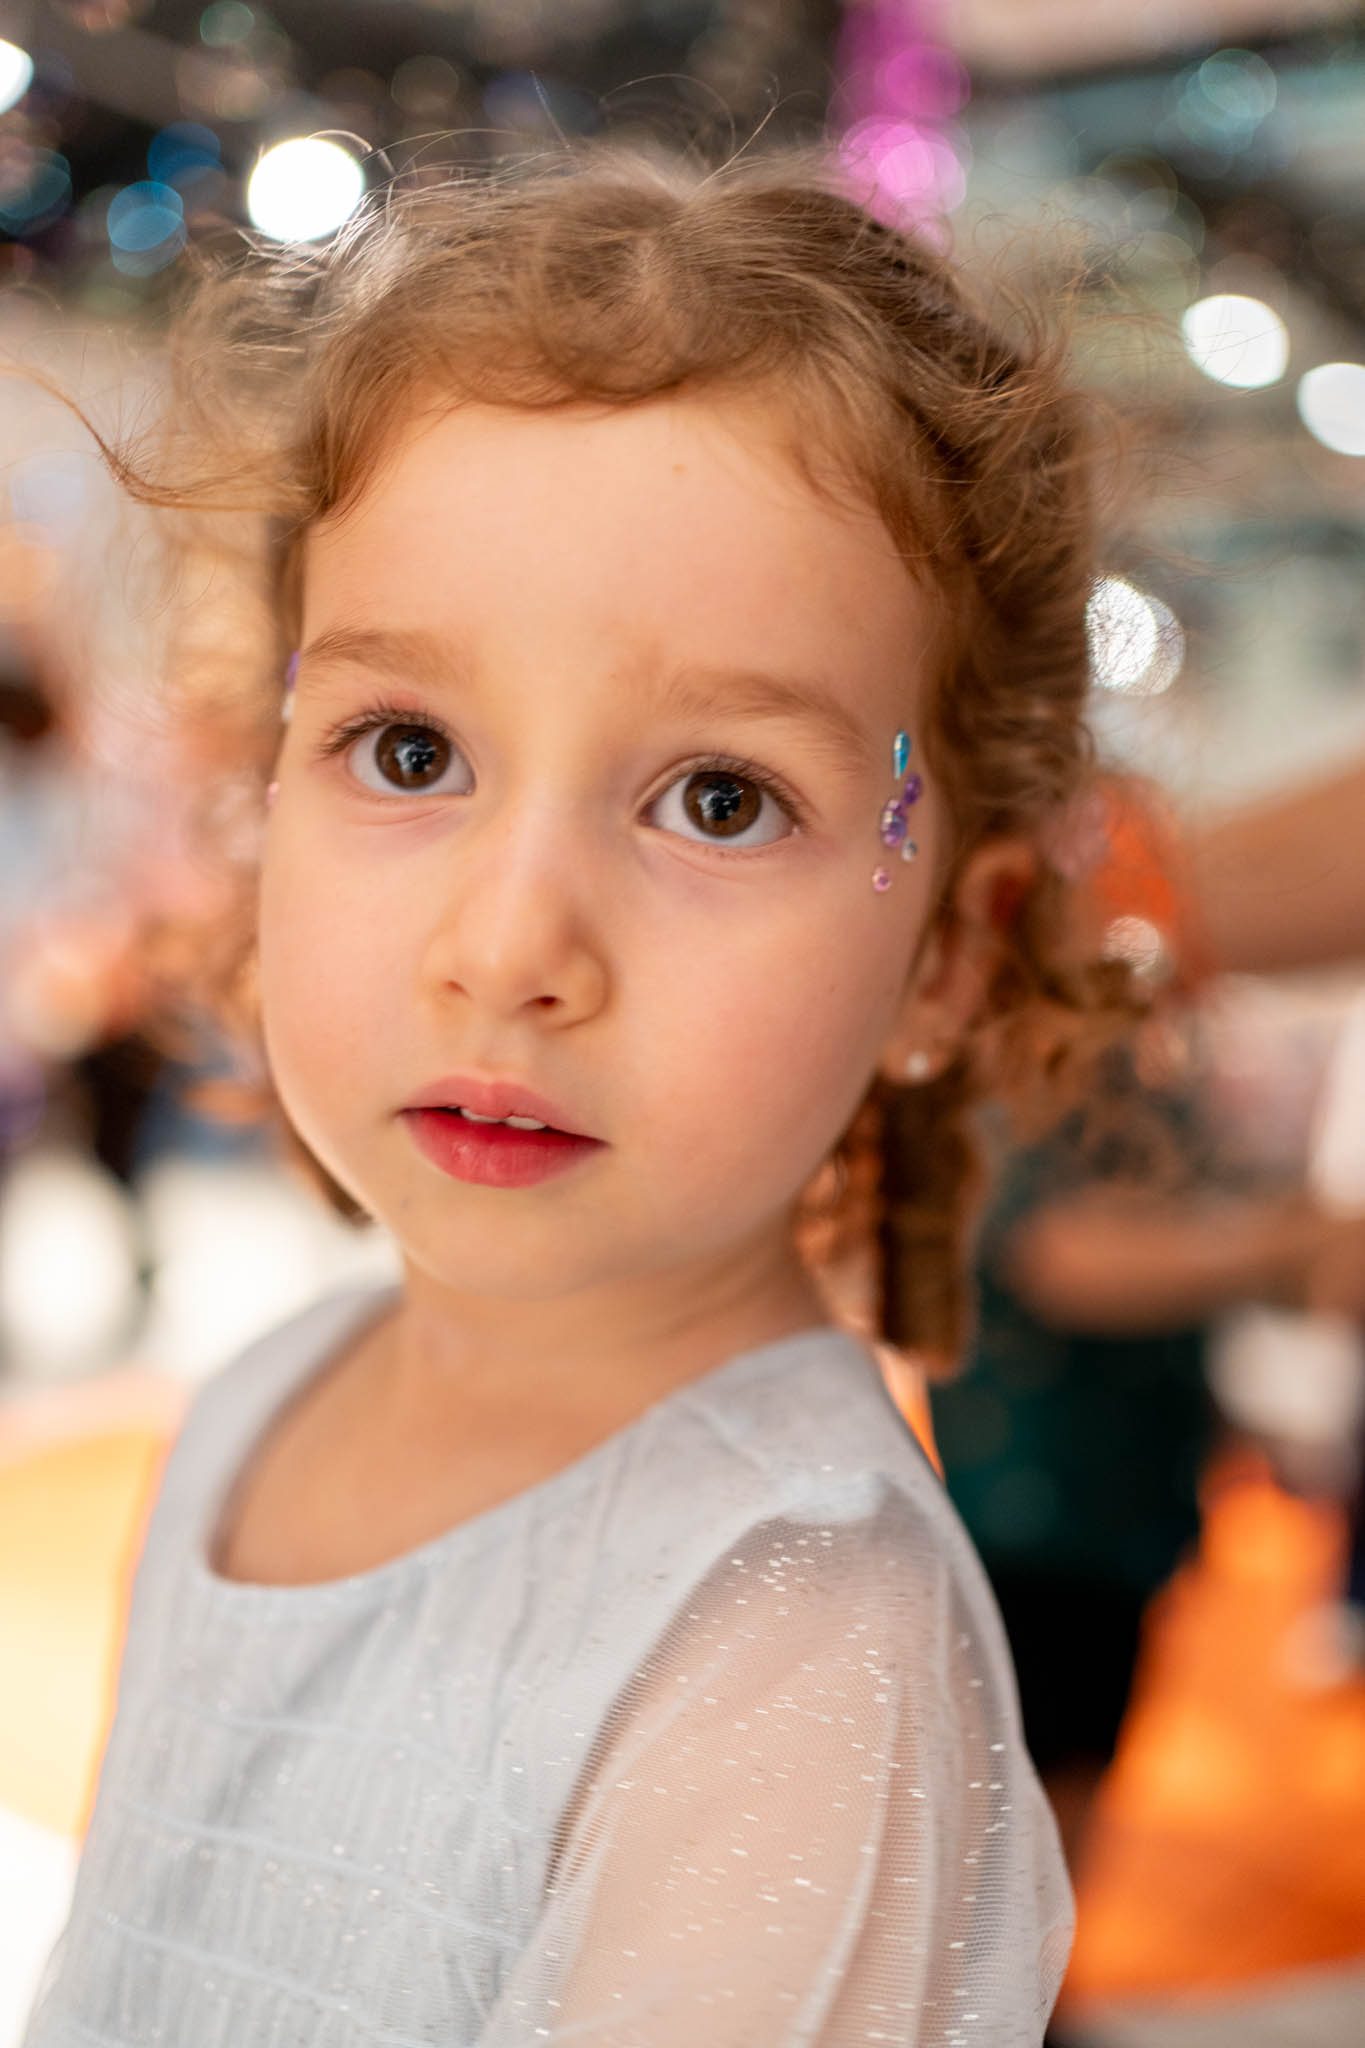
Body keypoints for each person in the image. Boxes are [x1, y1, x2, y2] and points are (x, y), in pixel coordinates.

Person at [24, 143, 1145, 2045]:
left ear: (950, 951)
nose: (508, 942)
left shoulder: (792, 1644)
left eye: (718, 797)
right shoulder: (253, 1415)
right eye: (405, 748)